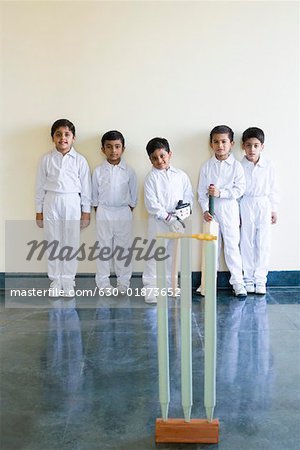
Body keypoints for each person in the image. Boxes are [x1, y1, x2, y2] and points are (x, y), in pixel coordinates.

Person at [35, 118, 91, 297]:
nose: (62, 138)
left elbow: (86, 188)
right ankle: (55, 281)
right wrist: (39, 211)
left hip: (72, 201)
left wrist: (86, 212)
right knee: (53, 240)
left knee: (70, 240)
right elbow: (39, 186)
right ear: (53, 138)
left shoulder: (80, 160)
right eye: (58, 134)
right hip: (51, 200)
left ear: (73, 137)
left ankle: (68, 281)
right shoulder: (46, 159)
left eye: (67, 134)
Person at [197, 125, 247, 297]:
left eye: (224, 141)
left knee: (232, 246)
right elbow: (201, 193)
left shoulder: (236, 166)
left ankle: (238, 283)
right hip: (212, 211)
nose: (220, 145)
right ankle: (209, 284)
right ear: (211, 144)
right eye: (216, 142)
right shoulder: (206, 166)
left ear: (231, 143)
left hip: (230, 209)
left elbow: (240, 190)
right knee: (212, 248)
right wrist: (205, 210)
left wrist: (221, 193)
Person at [143, 137, 193, 304]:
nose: (159, 161)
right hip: (159, 222)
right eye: (155, 158)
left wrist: (181, 215)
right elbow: (152, 204)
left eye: (162, 156)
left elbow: (188, 196)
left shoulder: (181, 175)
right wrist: (169, 219)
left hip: (178, 221)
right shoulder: (151, 178)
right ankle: (150, 288)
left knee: (172, 254)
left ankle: (171, 286)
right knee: (154, 255)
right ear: (150, 159)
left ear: (169, 154)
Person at [92, 130, 138, 295]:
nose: (113, 150)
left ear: (123, 148)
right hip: (104, 211)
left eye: (117, 146)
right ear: (103, 149)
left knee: (123, 249)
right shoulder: (98, 171)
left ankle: (123, 282)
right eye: (109, 147)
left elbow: (133, 197)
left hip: (123, 212)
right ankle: (103, 283)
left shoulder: (129, 171)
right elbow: (94, 196)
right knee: (103, 248)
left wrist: (126, 208)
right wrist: (101, 210)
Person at [240, 127, 279, 295]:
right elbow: (237, 190)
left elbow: (273, 188)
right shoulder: (239, 165)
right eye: (249, 145)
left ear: (262, 146)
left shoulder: (268, 165)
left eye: (256, 145)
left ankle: (261, 279)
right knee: (246, 242)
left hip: (263, 204)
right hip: (246, 203)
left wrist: (274, 208)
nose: (252, 149)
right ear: (243, 146)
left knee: (263, 242)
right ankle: (248, 279)